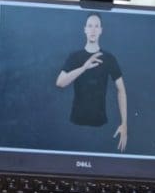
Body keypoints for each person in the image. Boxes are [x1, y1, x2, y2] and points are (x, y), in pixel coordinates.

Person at [55, 13, 129, 151]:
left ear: (101, 30)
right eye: (90, 26)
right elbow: (60, 82)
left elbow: (121, 90)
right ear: (85, 29)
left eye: (96, 26)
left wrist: (124, 123)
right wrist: (84, 67)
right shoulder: (75, 57)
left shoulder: (109, 58)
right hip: (75, 124)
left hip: (101, 126)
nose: (93, 30)